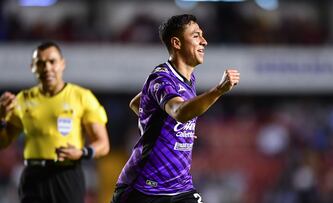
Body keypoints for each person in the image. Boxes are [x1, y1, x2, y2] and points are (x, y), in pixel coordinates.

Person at [111, 14, 240, 203]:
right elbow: (180, 112)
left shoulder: (188, 79)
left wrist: (171, 130)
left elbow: (137, 103)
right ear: (177, 43)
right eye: (196, 36)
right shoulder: (162, 79)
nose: (204, 41)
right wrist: (219, 90)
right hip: (144, 188)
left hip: (180, 188)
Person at [0, 41, 110, 203]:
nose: (47, 68)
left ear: (62, 64)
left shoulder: (82, 97)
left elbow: (103, 145)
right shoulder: (22, 100)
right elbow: (3, 142)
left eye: (52, 61)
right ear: (33, 67)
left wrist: (82, 152)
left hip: (66, 174)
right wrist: (1, 118)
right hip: (33, 176)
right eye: (40, 63)